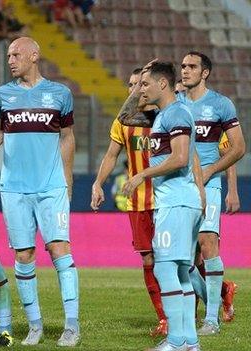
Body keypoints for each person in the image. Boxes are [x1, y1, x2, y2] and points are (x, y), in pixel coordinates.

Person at [0, 37, 80, 347]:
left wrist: (67, 178)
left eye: (16, 54)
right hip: (14, 189)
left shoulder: (60, 94)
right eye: (8, 55)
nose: (10, 60)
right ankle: (35, 325)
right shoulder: (0, 96)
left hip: (51, 186)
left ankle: (72, 325)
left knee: (60, 250)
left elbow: (67, 138)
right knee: (23, 254)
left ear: (35, 55)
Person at [119, 61, 204, 351]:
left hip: (177, 201)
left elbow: (181, 158)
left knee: (166, 269)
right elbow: (126, 115)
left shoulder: (177, 113)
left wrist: (142, 174)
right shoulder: (162, 115)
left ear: (163, 85)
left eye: (145, 84)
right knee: (180, 272)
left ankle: (177, 340)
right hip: (176, 201)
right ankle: (190, 342)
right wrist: (144, 74)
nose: (140, 89)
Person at [90, 67, 167, 336]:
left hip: (166, 197)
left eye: (141, 84)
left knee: (179, 258)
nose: (137, 90)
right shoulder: (123, 122)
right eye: (132, 85)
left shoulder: (163, 116)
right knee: (148, 260)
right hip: (138, 201)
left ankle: (211, 295)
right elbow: (111, 155)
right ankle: (164, 317)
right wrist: (98, 183)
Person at [177, 52, 245, 335]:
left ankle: (211, 321)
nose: (185, 70)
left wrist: (211, 173)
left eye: (192, 66)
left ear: (205, 73)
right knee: (180, 259)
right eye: (182, 66)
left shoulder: (220, 104)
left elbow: (238, 148)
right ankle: (218, 300)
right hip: (178, 186)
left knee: (207, 243)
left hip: (209, 185)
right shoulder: (174, 103)